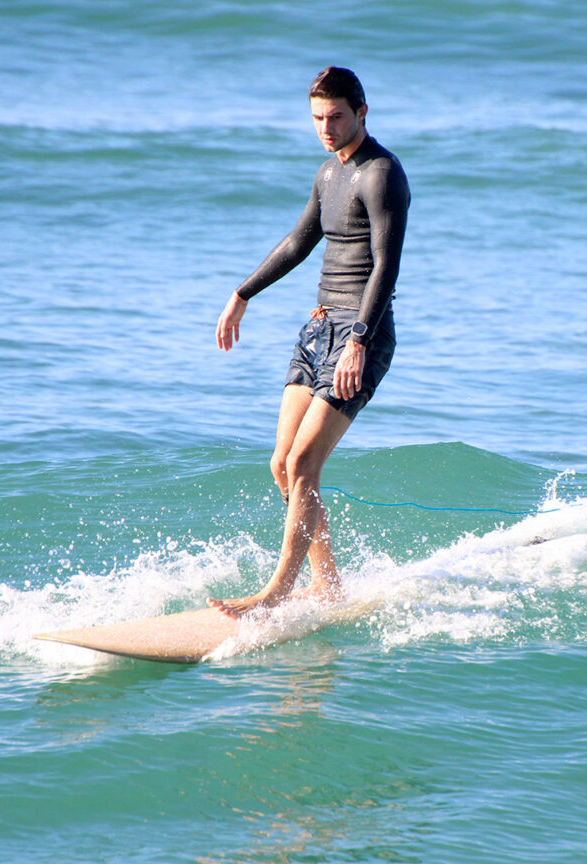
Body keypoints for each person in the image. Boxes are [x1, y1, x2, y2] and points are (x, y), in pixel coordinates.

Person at [212, 66, 409, 616]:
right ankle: (327, 585)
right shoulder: (329, 173)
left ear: (362, 111)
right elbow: (300, 241)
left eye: (336, 116)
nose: (326, 127)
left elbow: (386, 267)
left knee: (303, 464)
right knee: (282, 465)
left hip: (359, 335)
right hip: (318, 329)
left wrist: (359, 342)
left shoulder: (382, 173)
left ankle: (274, 593)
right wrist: (242, 293)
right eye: (318, 118)